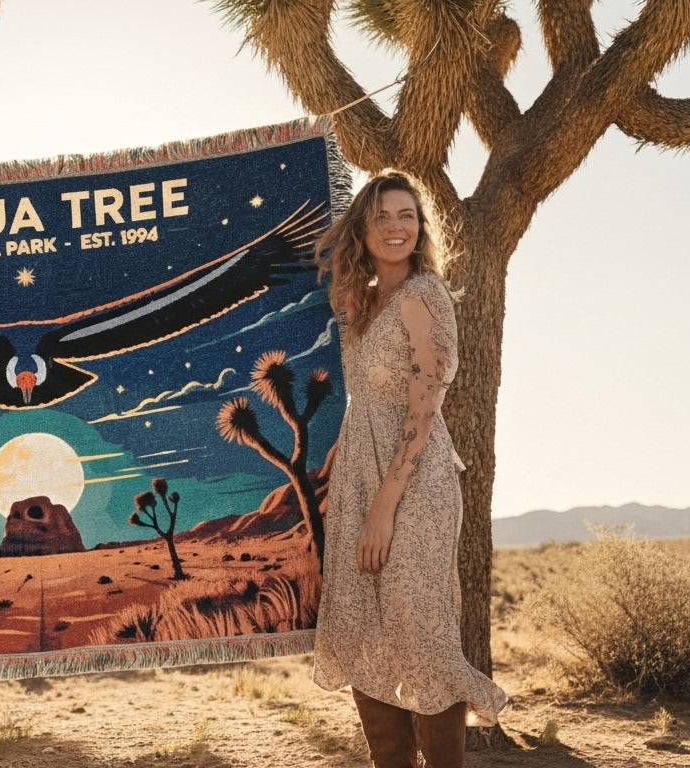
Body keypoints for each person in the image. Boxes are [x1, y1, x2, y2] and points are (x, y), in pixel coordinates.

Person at [311, 170, 507, 768]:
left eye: (407, 217)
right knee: (361, 627)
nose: (397, 228)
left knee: (422, 634)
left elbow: (425, 403)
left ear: (421, 229)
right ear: (363, 231)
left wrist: (383, 509)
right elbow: (363, 401)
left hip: (413, 485)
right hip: (359, 477)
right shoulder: (362, 301)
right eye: (383, 217)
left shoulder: (425, 295)